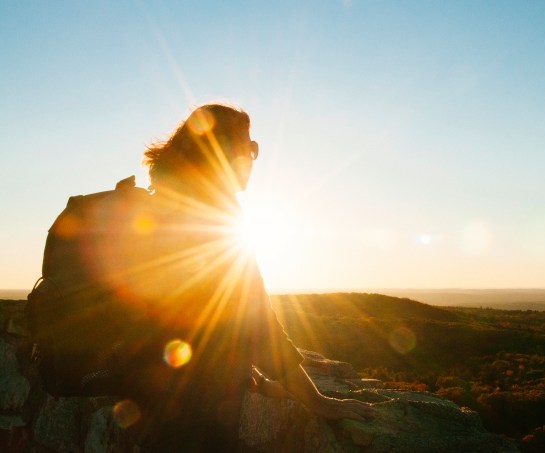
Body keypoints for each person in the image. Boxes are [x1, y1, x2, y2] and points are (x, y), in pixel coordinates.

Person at [115, 103, 374, 451]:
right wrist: (320, 402)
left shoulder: (162, 203)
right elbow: (259, 325)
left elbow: (193, 317)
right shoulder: (213, 213)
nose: (252, 158)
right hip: (194, 411)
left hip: (147, 396)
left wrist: (250, 375)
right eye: (249, 147)